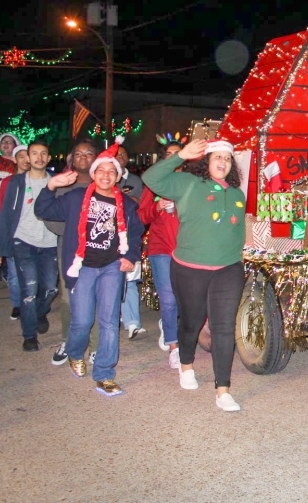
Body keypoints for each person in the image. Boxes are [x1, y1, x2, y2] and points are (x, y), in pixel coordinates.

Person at [142, 138, 247, 412]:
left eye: (227, 157)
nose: (222, 162)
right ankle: (186, 364)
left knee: (224, 328)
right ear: (206, 161)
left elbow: (236, 232)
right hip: (189, 268)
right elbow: (151, 177)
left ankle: (223, 390)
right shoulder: (188, 184)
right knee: (192, 321)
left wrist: (237, 262)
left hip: (228, 269)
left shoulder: (237, 194)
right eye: (217, 157)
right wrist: (181, 156)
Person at [34, 139, 143, 396]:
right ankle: (74, 352)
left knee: (108, 322)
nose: (106, 175)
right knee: (81, 321)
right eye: (101, 170)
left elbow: (136, 232)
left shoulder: (126, 205)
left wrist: (130, 255)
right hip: (82, 266)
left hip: (111, 267)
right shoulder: (75, 197)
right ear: (93, 173)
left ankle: (104, 373)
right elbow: (43, 209)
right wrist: (51, 185)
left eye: (111, 171)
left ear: (117, 176)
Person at [0, 140, 59, 351]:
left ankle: (41, 312)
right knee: (29, 289)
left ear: (48, 158)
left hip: (49, 243)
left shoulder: (57, 183)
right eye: (34, 153)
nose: (39, 157)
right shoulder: (15, 182)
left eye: (43, 154)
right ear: (27, 158)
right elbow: (4, 214)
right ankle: (29, 335)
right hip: (23, 241)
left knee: (50, 288)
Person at [43, 138, 99, 366]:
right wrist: (76, 229)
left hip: (98, 251)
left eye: (88, 153)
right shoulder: (64, 185)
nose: (83, 157)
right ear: (71, 159)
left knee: (96, 297)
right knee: (69, 297)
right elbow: (49, 216)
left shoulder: (104, 182)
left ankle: (95, 346)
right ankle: (68, 340)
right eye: (78, 154)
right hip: (68, 248)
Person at [138, 141, 183, 369]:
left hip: (187, 249)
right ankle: (174, 347)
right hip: (161, 249)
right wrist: (157, 207)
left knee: (184, 299)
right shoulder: (153, 184)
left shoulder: (190, 183)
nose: (174, 159)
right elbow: (141, 216)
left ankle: (169, 325)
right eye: (169, 155)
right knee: (168, 298)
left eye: (178, 155)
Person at [0, 145, 29, 320]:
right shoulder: (8, 182)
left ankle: (32, 303)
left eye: (27, 156)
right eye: (21, 157)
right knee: (15, 273)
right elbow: (2, 209)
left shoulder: (40, 180)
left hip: (33, 233)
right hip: (14, 233)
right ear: (15, 160)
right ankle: (17, 304)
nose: (25, 160)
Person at [0, 133, 18, 292]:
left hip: (9, 208)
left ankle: (9, 272)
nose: (7, 144)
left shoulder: (20, 163)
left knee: (8, 241)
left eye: (10, 142)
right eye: (4, 142)